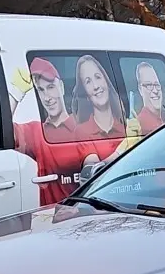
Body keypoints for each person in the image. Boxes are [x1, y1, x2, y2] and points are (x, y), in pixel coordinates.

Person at [13, 57, 100, 205]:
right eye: (41, 90)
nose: (47, 97)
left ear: (61, 87)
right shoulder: (35, 131)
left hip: (76, 216)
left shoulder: (80, 129)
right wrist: (16, 94)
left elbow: (93, 169)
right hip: (47, 219)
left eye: (51, 87)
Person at [72, 54, 128, 169]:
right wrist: (123, 149)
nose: (96, 86)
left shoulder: (125, 126)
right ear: (85, 94)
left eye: (98, 77)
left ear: (106, 81)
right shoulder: (82, 132)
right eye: (88, 82)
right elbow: (95, 172)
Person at [133, 61, 165, 135]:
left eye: (157, 85)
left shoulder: (164, 120)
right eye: (149, 85)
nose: (155, 90)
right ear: (140, 89)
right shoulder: (142, 125)